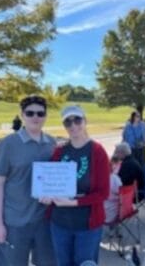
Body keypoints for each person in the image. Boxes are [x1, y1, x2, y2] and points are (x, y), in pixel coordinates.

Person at [40, 105, 110, 266]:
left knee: (85, 263)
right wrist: (46, 194)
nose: (73, 126)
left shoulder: (97, 151)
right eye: (68, 123)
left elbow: (103, 193)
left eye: (77, 120)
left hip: (87, 225)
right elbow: (49, 182)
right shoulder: (59, 151)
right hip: (60, 223)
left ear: (85, 121)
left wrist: (73, 202)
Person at [0, 95, 57, 266]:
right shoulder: (8, 144)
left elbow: (56, 179)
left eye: (40, 113)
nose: (35, 117)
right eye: (30, 113)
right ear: (22, 115)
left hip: (44, 221)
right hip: (14, 222)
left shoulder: (51, 143)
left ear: (45, 116)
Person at [105, 151, 125, 224]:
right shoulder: (115, 179)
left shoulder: (98, 178)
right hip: (117, 211)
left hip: (106, 213)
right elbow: (121, 195)